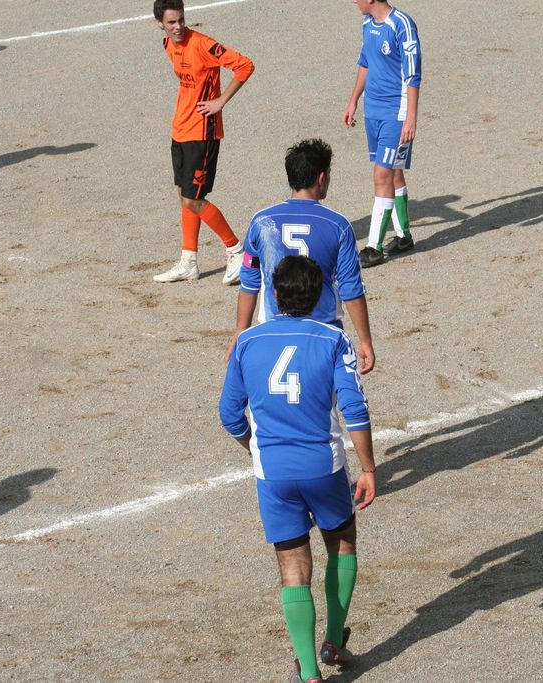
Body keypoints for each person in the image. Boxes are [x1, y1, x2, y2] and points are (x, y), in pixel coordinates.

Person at [220, 256, 377, 683]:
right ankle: (334, 641)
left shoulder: (247, 342)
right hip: (324, 468)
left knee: (293, 568)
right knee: (341, 543)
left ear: (273, 294)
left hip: (273, 473)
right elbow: (355, 410)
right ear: (320, 295)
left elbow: (230, 415)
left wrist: (256, 449)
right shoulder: (334, 339)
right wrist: (368, 468)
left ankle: (308, 672)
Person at [232, 138, 375, 374]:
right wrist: (365, 341)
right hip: (323, 332)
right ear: (322, 178)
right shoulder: (338, 226)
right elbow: (351, 288)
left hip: (273, 331)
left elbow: (249, 283)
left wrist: (241, 331)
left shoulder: (261, 222)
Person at [151, 0, 254, 284]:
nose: (178, 27)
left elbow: (245, 65)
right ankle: (189, 262)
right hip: (180, 130)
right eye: (171, 22)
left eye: (181, 20)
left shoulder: (203, 45)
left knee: (193, 199)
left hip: (202, 133)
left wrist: (221, 100)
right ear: (160, 24)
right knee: (184, 194)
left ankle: (236, 251)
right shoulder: (168, 45)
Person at [342, 0, 422, 268]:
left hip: (395, 114)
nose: (353, 0)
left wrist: (410, 117)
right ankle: (404, 237)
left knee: (381, 175)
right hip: (373, 111)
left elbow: (413, 74)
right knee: (394, 171)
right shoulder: (368, 22)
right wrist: (353, 100)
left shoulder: (402, 25)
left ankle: (374, 247)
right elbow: (365, 63)